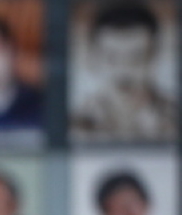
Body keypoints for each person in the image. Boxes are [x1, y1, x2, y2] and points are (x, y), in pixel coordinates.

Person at [71, 1, 178, 142]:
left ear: (154, 56)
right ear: (94, 58)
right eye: (112, 58)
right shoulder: (76, 123)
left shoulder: (174, 118)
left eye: (136, 58)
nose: (124, 71)